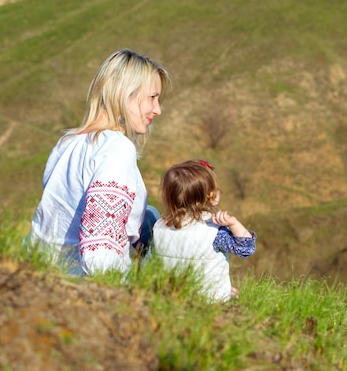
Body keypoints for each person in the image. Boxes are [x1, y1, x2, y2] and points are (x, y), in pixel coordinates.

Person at [25, 48, 171, 276]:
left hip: (37, 266)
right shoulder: (116, 149)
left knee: (150, 215)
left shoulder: (67, 143)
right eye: (152, 98)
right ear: (124, 93)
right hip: (77, 280)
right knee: (153, 221)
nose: (157, 109)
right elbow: (100, 248)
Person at [153, 159, 257, 302]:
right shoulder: (214, 231)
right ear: (212, 197)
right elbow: (246, 249)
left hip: (171, 295)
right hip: (209, 299)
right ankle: (224, 293)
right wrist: (234, 224)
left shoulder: (159, 226)